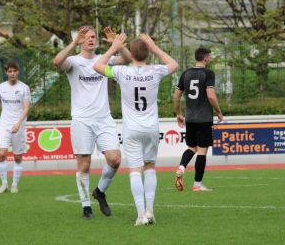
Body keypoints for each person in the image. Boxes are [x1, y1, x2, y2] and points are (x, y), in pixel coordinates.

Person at [93, 33, 178, 226]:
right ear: (148, 54)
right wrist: (154, 46)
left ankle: (141, 215)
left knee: (134, 171)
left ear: (131, 54)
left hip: (132, 129)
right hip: (151, 128)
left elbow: (97, 67)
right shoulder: (155, 71)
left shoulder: (122, 72)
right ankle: (150, 211)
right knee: (149, 168)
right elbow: (174, 65)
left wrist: (114, 48)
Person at [52, 26, 131, 220]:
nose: (91, 39)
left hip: (104, 118)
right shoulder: (73, 62)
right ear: (80, 40)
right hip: (82, 120)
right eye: (86, 37)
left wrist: (116, 44)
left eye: (93, 36)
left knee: (115, 158)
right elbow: (56, 61)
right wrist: (72, 43)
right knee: (84, 164)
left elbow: (128, 60)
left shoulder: (103, 59)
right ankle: (86, 207)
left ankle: (100, 191)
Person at [173, 47, 223, 192]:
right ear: (205, 58)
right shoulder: (208, 73)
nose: (211, 58)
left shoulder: (186, 73)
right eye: (210, 56)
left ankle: (181, 167)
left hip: (190, 118)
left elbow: (176, 96)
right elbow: (211, 96)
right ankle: (197, 185)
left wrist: (179, 113)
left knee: (191, 148)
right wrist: (219, 112)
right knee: (202, 151)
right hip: (204, 118)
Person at [0, 62, 31, 194]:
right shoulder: (0, 87)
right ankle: (4, 183)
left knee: (17, 157)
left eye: (14, 71)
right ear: (6, 73)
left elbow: (26, 108)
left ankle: (14, 184)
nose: (12, 73)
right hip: (4, 125)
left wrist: (18, 123)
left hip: (19, 126)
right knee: (1, 154)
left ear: (18, 72)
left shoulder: (24, 88)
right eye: (10, 71)